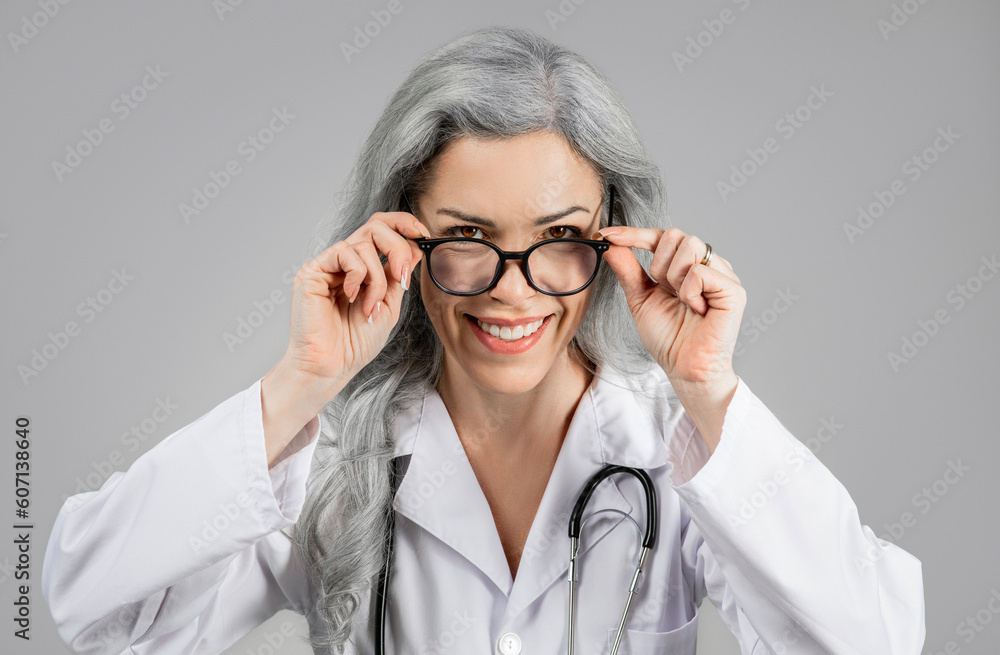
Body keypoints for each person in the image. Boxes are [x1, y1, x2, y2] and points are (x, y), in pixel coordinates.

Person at [41, 25, 925, 655]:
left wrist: (713, 394)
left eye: (556, 239)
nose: (512, 289)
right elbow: (95, 609)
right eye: (467, 238)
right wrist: (300, 383)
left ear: (612, 238)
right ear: (400, 235)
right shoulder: (334, 454)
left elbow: (872, 639)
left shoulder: (677, 454)